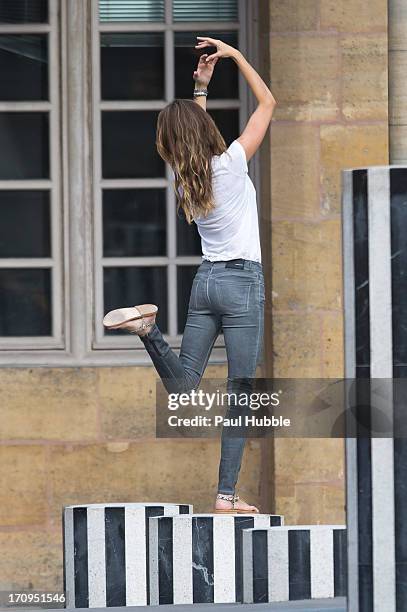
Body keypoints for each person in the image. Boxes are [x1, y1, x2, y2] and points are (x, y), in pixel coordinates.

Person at [103, 36, 277, 513]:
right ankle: (226, 494)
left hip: (206, 284)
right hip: (241, 284)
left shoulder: (184, 176)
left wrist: (199, 89)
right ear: (202, 132)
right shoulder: (232, 163)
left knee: (186, 389)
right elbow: (268, 102)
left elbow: (193, 141)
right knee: (241, 393)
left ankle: (148, 330)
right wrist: (237, 57)